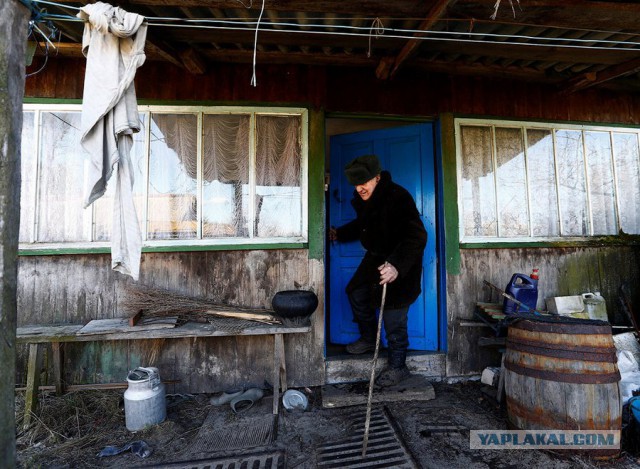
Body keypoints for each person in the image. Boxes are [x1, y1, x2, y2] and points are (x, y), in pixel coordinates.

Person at [330, 154, 427, 387]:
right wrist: (339, 234)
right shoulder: (365, 198)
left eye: (363, 182)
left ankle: (398, 366)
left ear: (377, 177)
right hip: (375, 258)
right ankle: (368, 337)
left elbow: (417, 236)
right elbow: (363, 225)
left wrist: (396, 266)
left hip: (400, 261)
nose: (359, 188)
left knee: (394, 314)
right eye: (355, 183)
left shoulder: (397, 197)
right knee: (356, 292)